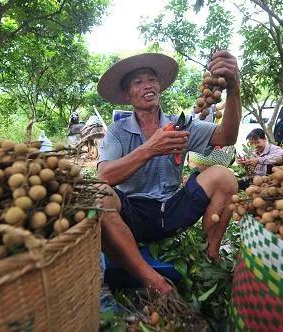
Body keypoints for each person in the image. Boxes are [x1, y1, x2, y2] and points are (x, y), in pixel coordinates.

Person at [96, 51, 241, 294]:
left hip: (172, 210)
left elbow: (227, 137)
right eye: (138, 82)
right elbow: (104, 177)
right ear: (126, 94)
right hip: (133, 215)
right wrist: (150, 149)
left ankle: (209, 257)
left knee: (224, 176)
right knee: (99, 195)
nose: (147, 85)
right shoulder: (117, 131)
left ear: (159, 86)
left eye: (151, 79)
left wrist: (234, 89)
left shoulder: (181, 125)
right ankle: (151, 279)